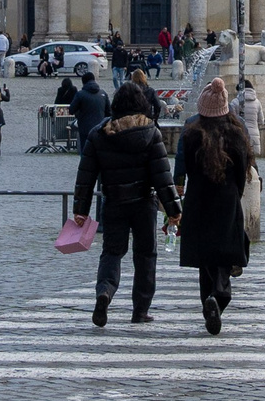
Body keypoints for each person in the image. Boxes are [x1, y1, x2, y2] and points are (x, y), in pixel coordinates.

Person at [72, 80, 180, 326]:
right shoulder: (151, 132)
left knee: (111, 252)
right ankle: (140, 310)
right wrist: (174, 211)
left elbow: (85, 177)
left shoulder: (99, 133)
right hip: (143, 202)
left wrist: (80, 210)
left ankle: (105, 293)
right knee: (145, 256)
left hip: (114, 202)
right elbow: (163, 177)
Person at [174, 78, 254, 335]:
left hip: (198, 197)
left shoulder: (190, 131)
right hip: (227, 196)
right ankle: (219, 296)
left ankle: (208, 299)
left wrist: (181, 188)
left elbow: (183, 166)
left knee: (205, 254)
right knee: (226, 251)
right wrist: (237, 192)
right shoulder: (237, 130)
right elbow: (243, 168)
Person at [69, 70, 109, 150]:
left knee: (85, 151)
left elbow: (71, 110)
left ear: (83, 82)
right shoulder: (103, 94)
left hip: (85, 128)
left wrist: (79, 114)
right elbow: (109, 112)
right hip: (100, 128)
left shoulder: (80, 94)